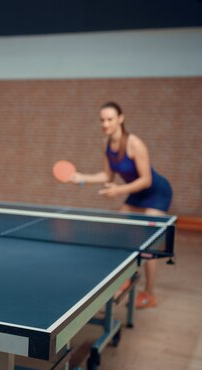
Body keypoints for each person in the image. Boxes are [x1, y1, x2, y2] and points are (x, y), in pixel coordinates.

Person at [71, 101, 172, 309]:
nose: (105, 123)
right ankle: (125, 276)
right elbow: (107, 175)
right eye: (102, 120)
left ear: (120, 119)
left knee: (147, 242)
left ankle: (149, 294)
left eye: (110, 119)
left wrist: (118, 190)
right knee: (119, 232)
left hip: (156, 193)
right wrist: (80, 177)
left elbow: (146, 180)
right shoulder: (107, 143)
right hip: (134, 193)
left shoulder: (135, 143)